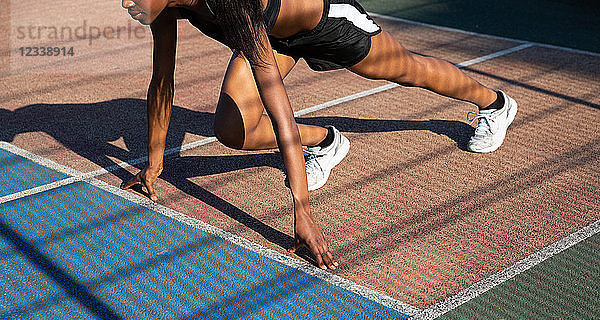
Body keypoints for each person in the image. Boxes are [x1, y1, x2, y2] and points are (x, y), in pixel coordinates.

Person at [120, 0, 518, 270]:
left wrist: (302, 211)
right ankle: (327, 143)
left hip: (324, 21)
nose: (124, 2)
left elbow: (281, 109)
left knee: (405, 69)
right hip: (268, 35)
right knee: (231, 129)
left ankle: (495, 103)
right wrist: (155, 163)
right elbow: (162, 80)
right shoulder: (166, 7)